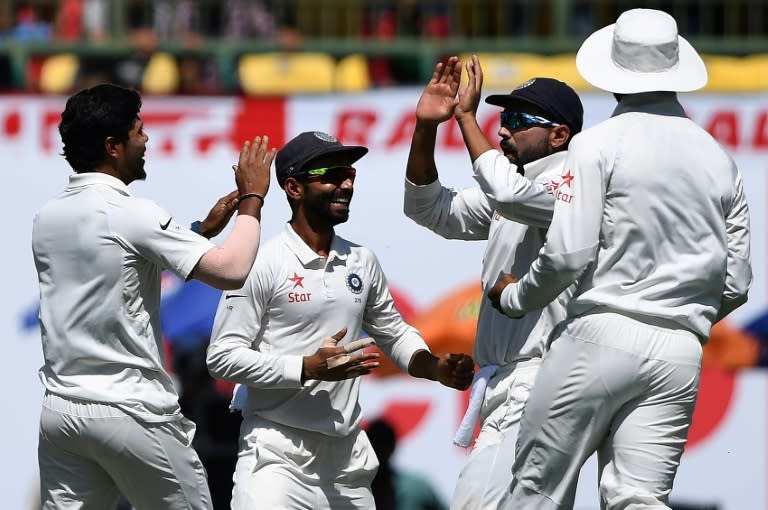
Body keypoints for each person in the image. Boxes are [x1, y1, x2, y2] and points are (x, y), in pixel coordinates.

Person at [487, 9, 752, 509]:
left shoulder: (596, 146)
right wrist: (676, 311)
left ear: (615, 72)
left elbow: (567, 255)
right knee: (638, 500)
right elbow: (736, 283)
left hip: (599, 333)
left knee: (536, 494)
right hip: (681, 348)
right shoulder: (719, 159)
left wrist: (515, 297)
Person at [32, 82, 275, 509]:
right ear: (113, 145)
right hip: (130, 412)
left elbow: (118, 261)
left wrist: (198, 232)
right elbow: (233, 271)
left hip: (62, 414)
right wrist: (253, 197)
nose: (145, 141)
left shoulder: (48, 217)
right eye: (138, 131)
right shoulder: (133, 213)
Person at [206, 130, 475, 510]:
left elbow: (394, 334)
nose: (346, 183)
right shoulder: (262, 262)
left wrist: (435, 367)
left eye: (350, 174)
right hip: (277, 456)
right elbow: (222, 357)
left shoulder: (361, 260)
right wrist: (306, 368)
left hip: (346, 461)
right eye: (332, 174)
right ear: (294, 188)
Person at [403, 55, 583, 509]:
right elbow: (430, 210)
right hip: (506, 383)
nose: (503, 129)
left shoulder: (572, 186)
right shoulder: (517, 189)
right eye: (501, 117)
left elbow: (506, 192)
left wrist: (465, 118)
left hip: (542, 378)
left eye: (518, 120)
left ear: (559, 135)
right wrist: (426, 128)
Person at [366, 417, 447, 510]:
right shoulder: (351, 495)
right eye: (376, 445)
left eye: (383, 445)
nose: (379, 451)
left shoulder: (417, 490)